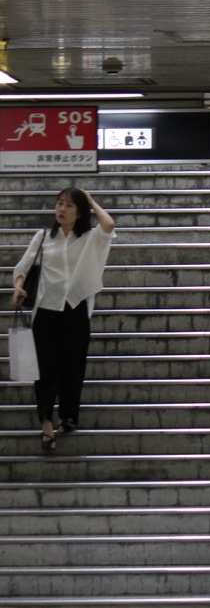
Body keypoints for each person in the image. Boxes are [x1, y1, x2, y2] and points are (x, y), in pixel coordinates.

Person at [10, 187, 116, 453]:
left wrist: (90, 199)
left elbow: (109, 225)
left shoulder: (90, 239)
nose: (61, 210)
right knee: (45, 370)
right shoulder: (44, 236)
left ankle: (67, 417)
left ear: (80, 212)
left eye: (69, 206)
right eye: (59, 204)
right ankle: (46, 422)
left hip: (75, 308)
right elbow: (23, 268)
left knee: (72, 367)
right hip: (46, 309)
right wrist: (18, 287)